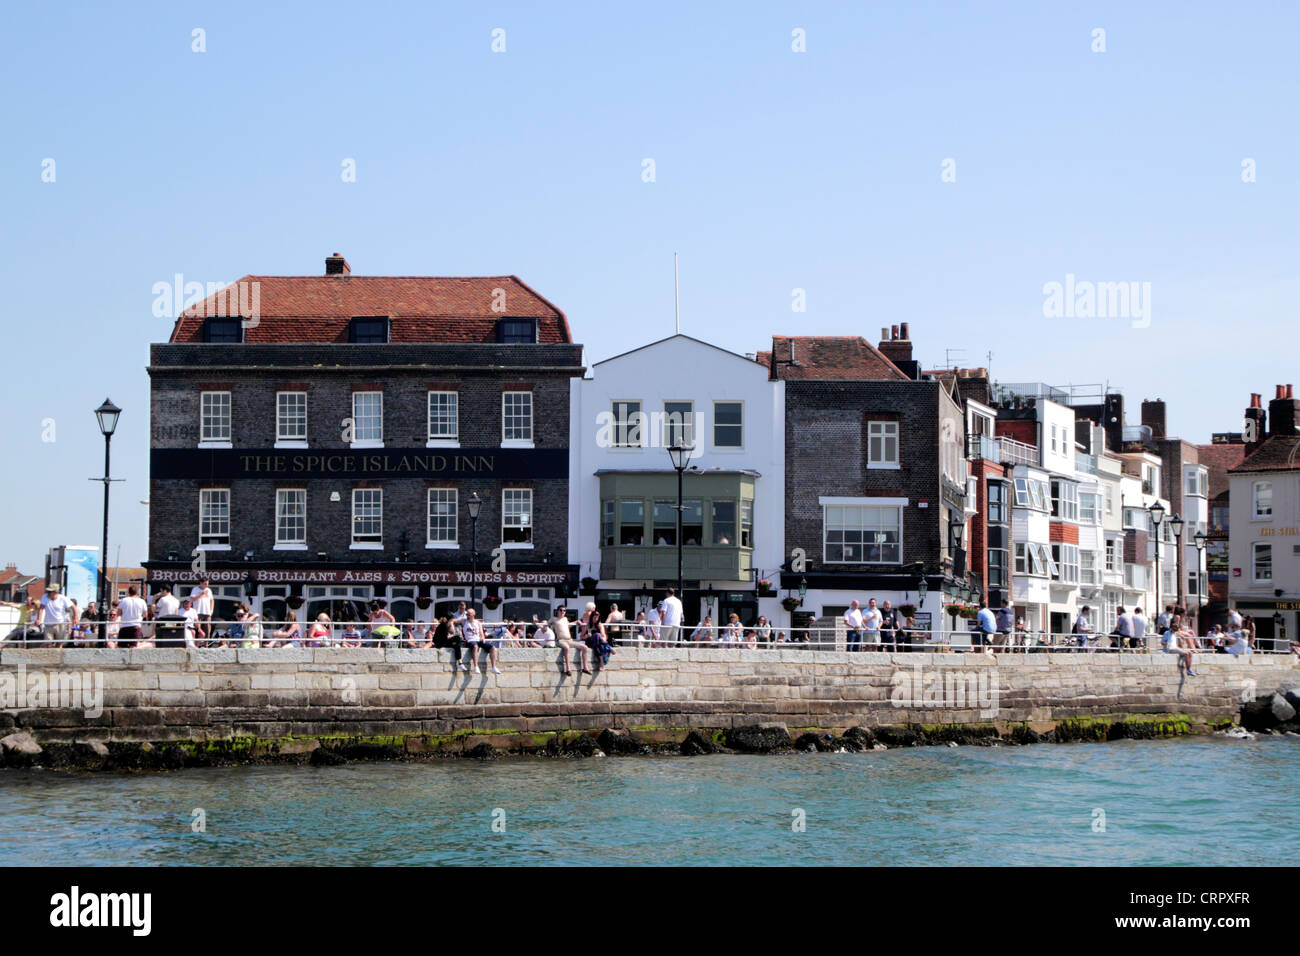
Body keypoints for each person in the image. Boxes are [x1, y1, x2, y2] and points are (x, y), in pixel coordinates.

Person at [553, 604, 590, 676]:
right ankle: (568, 669)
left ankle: (585, 668)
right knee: (566, 648)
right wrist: (537, 623)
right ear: (557, 611)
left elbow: (568, 625)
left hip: (570, 640)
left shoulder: (565, 619)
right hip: (560, 641)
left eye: (564, 610)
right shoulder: (554, 619)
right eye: (561, 610)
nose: (563, 612)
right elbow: (545, 624)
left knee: (585, 647)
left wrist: (578, 622)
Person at [114, 585, 147, 649]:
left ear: (128, 592)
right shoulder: (142, 601)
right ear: (137, 592)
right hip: (136, 626)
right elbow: (145, 614)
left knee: (121, 647)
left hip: (125, 626)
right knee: (133, 647)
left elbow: (119, 613)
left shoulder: (123, 600)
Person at [189, 577, 214, 646]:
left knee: (207, 628)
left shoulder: (209, 590)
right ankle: (198, 643)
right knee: (198, 628)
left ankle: (206, 644)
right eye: (205, 584)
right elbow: (192, 598)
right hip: (198, 612)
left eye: (207, 584)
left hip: (207, 612)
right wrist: (201, 594)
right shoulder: (195, 589)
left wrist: (211, 609)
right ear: (201, 583)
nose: (207, 585)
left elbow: (212, 600)